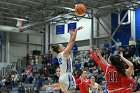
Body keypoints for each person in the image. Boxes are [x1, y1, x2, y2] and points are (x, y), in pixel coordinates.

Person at [51, 26, 83, 93]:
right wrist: (76, 31)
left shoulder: (59, 55)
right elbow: (72, 42)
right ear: (59, 49)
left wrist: (71, 35)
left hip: (62, 77)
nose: (64, 46)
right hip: (67, 76)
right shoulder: (64, 53)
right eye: (62, 46)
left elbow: (69, 43)